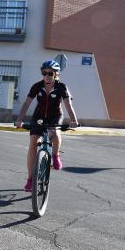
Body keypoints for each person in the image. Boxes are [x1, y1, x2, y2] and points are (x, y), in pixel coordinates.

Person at [15, 60, 79, 192]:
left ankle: (55, 156)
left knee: (55, 132)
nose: (47, 76)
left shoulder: (62, 87)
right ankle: (30, 179)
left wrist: (74, 120)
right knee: (33, 142)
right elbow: (26, 104)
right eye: (44, 73)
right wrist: (19, 120)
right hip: (38, 117)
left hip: (55, 116)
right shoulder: (37, 86)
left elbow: (68, 105)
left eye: (50, 73)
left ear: (56, 74)